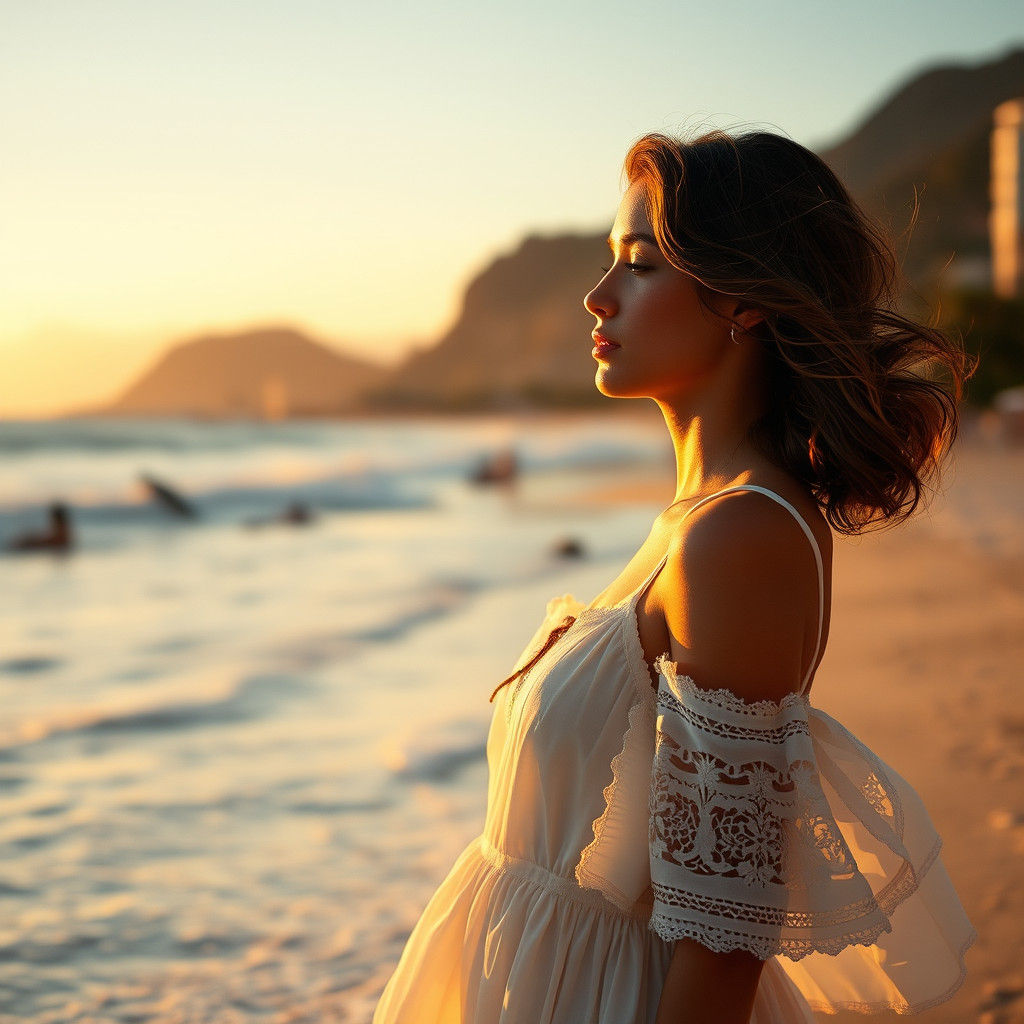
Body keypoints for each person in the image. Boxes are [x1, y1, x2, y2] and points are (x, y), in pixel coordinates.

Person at [372, 128, 976, 1023]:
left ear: (744, 301)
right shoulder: (696, 520)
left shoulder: (737, 538)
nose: (597, 295)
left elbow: (728, 933)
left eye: (639, 264)